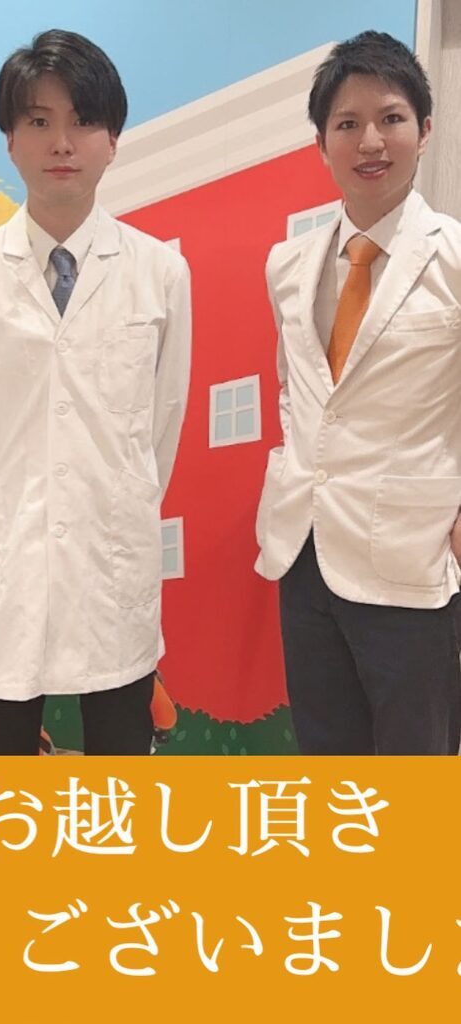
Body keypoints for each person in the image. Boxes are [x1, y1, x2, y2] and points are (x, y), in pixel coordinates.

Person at [0, 29, 191, 755]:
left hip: (111, 558)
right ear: (11, 141)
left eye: (84, 120)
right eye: (39, 120)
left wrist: (115, 497)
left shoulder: (160, 274)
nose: (62, 142)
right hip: (3, 558)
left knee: (119, 767)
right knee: (3, 768)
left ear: (114, 140)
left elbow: (162, 426)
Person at [255, 30, 461, 754]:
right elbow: (296, 386)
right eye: (347, 123)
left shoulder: (454, 258)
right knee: (329, 761)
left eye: (390, 118)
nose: (370, 141)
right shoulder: (288, 265)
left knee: (415, 767)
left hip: (409, 554)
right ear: (322, 143)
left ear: (424, 130)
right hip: (303, 550)